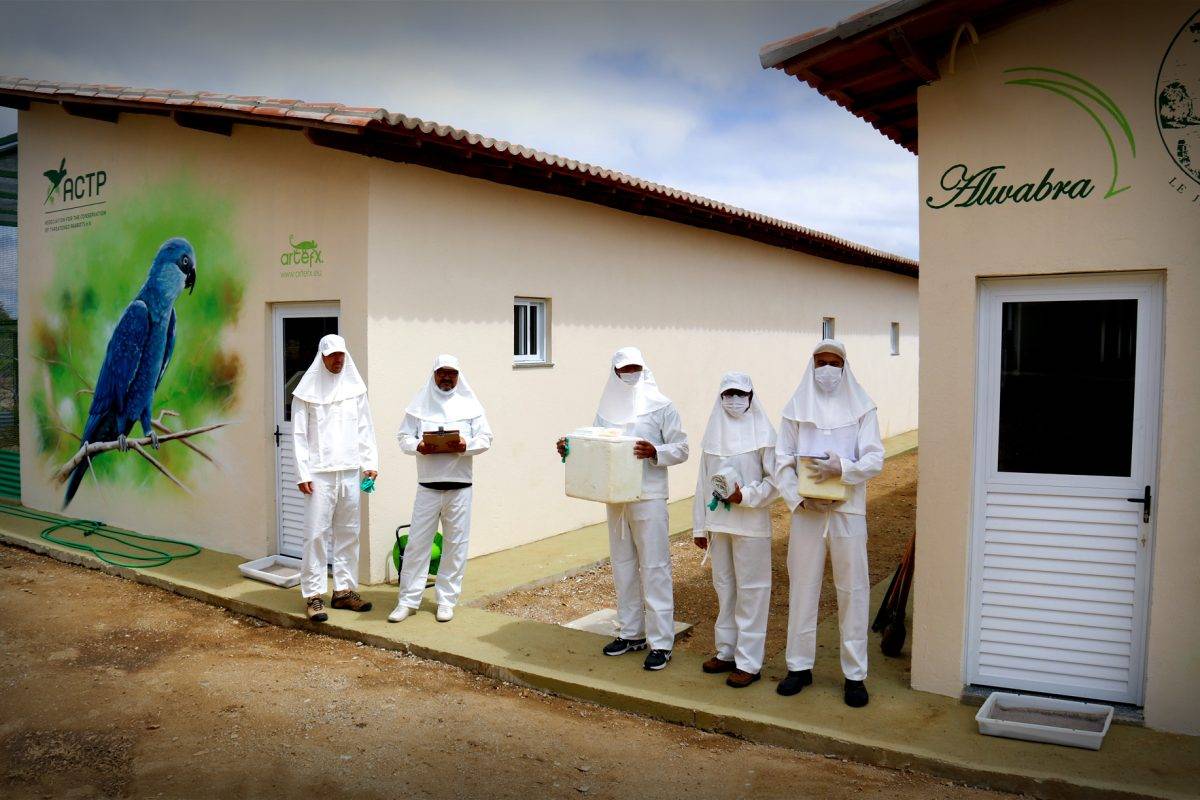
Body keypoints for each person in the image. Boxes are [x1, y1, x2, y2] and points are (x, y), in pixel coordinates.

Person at [557, 347, 688, 671]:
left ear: (643, 368)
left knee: (655, 567)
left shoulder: (661, 405)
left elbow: (682, 447)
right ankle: (631, 632)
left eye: (634, 368)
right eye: (624, 369)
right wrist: (570, 449)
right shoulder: (606, 409)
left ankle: (661, 642)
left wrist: (655, 451)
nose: (630, 373)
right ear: (615, 372)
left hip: (648, 495)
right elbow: (596, 445)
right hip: (616, 498)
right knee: (623, 565)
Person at [775, 339, 882, 707]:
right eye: (820, 362)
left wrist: (844, 469)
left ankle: (855, 675)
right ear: (812, 366)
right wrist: (799, 498)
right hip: (808, 513)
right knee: (802, 586)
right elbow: (782, 461)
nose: (827, 369)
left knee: (853, 590)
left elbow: (874, 458)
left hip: (848, 510)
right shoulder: (795, 409)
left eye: (834, 362)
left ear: (844, 366)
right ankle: (798, 666)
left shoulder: (863, 408)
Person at [390, 355, 492, 624]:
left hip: (460, 487)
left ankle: (446, 601)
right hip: (428, 487)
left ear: (458, 376)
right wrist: (419, 446)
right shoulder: (419, 404)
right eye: (442, 372)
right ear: (434, 374)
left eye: (452, 373)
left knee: (455, 546)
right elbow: (403, 437)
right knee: (417, 545)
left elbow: (486, 438)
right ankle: (407, 601)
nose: (447, 377)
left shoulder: (471, 405)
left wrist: (465, 445)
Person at [692, 372, 778, 688]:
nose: (734, 400)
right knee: (724, 587)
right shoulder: (713, 434)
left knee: (752, 592)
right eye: (728, 394)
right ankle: (726, 651)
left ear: (751, 397)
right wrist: (700, 526)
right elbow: (703, 482)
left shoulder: (764, 434)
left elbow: (776, 481)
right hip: (719, 526)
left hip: (751, 525)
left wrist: (747, 496)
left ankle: (749, 662)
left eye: (740, 394)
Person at [292, 334, 379, 623]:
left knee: (349, 532)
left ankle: (343, 591)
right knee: (316, 534)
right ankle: (313, 595)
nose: (338, 360)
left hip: (350, 471)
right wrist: (302, 472)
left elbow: (365, 428)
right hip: (318, 474)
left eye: (341, 355)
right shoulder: (305, 393)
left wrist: (370, 464)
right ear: (322, 357)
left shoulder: (356, 390)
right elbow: (299, 435)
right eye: (332, 355)